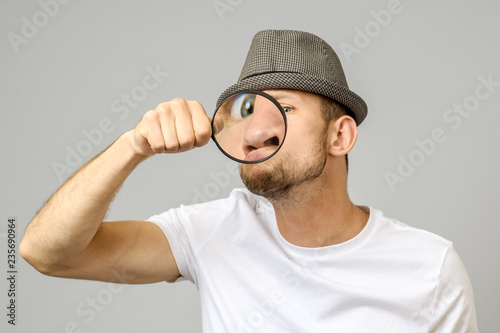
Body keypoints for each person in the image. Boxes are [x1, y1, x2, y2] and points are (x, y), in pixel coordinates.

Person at [20, 30, 478, 332]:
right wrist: (131, 147)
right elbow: (45, 254)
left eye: (284, 107)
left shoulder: (430, 269)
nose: (256, 131)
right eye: (245, 110)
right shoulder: (214, 232)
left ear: (340, 135)